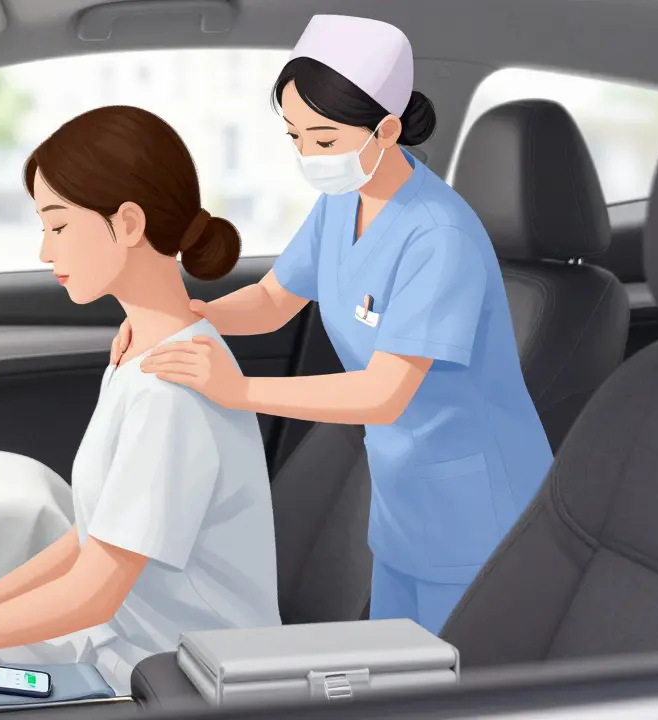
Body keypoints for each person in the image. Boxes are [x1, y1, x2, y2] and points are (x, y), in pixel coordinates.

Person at [118, 14, 553, 635]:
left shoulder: (440, 237)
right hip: (406, 498)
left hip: (475, 511)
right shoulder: (342, 202)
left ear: (389, 128)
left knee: (447, 677)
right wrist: (184, 317)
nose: (305, 155)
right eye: (293, 135)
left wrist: (238, 391)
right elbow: (273, 299)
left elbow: (383, 392)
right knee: (405, 669)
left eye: (322, 140)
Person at [0, 105, 281, 695]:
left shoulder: (172, 388)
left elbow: (96, 587)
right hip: (119, 645)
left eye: (59, 225)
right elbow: (91, 537)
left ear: (127, 223)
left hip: (172, 680)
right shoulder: (139, 351)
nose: (46, 252)